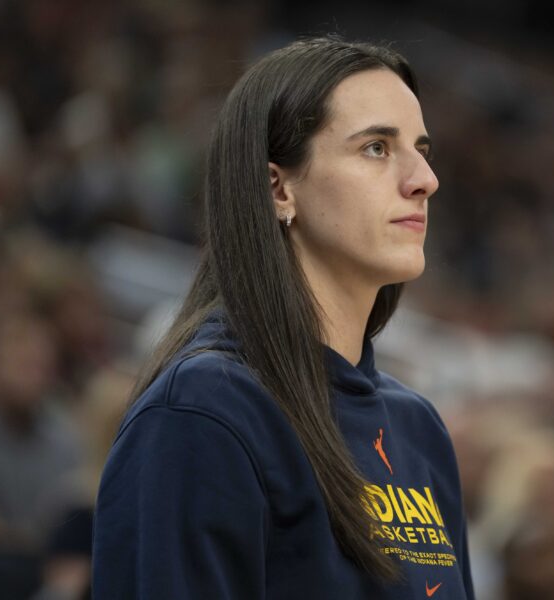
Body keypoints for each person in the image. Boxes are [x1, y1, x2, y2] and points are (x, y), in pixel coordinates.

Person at [92, 37, 475, 599]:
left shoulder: (418, 428)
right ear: (277, 187)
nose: (424, 179)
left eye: (421, 149)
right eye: (376, 147)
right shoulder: (203, 413)